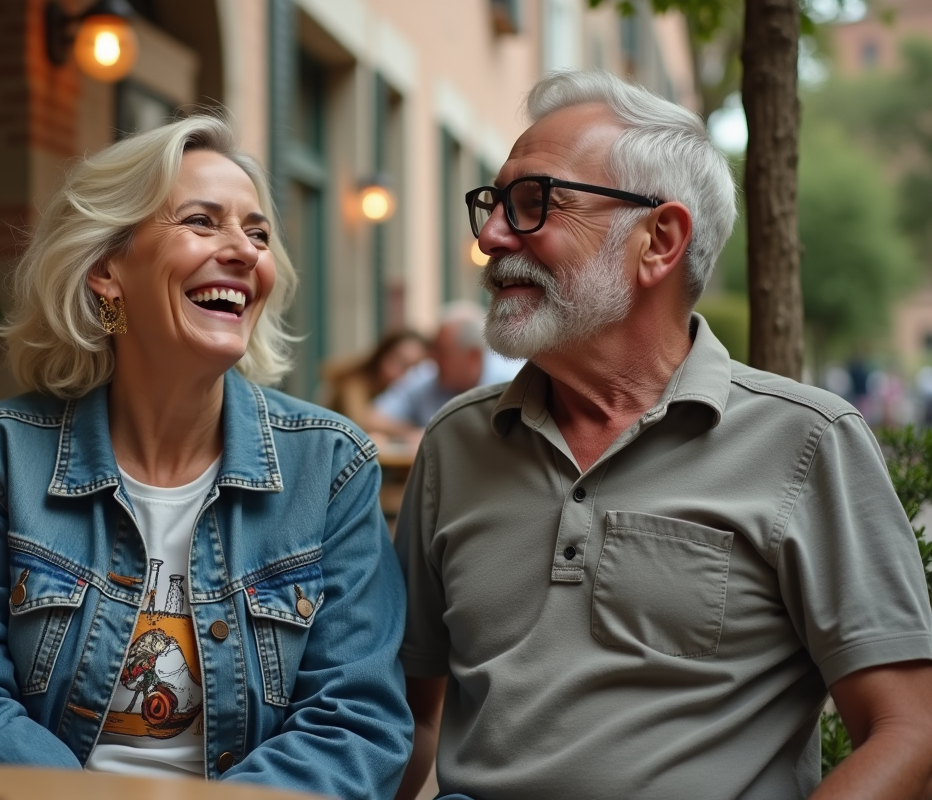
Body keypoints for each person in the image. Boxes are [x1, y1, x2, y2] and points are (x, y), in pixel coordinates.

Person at [395, 70, 932, 800]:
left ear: (660, 240)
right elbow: (409, 722)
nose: (490, 237)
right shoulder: (455, 444)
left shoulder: (806, 441)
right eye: (493, 206)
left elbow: (910, 728)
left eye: (532, 203)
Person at [0, 115, 413, 800]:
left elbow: (358, 722)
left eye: (257, 233)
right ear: (108, 271)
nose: (244, 251)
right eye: (202, 221)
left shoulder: (330, 468)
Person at [368, 301, 521, 440]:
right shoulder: (427, 376)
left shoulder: (514, 383)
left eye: (442, 353)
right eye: (433, 349)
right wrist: (414, 434)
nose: (433, 359)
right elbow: (372, 418)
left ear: (472, 356)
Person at [319, 328, 428, 429]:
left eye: (413, 368)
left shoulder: (412, 392)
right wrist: (408, 430)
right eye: (398, 360)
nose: (404, 374)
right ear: (382, 353)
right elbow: (360, 423)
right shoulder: (354, 383)